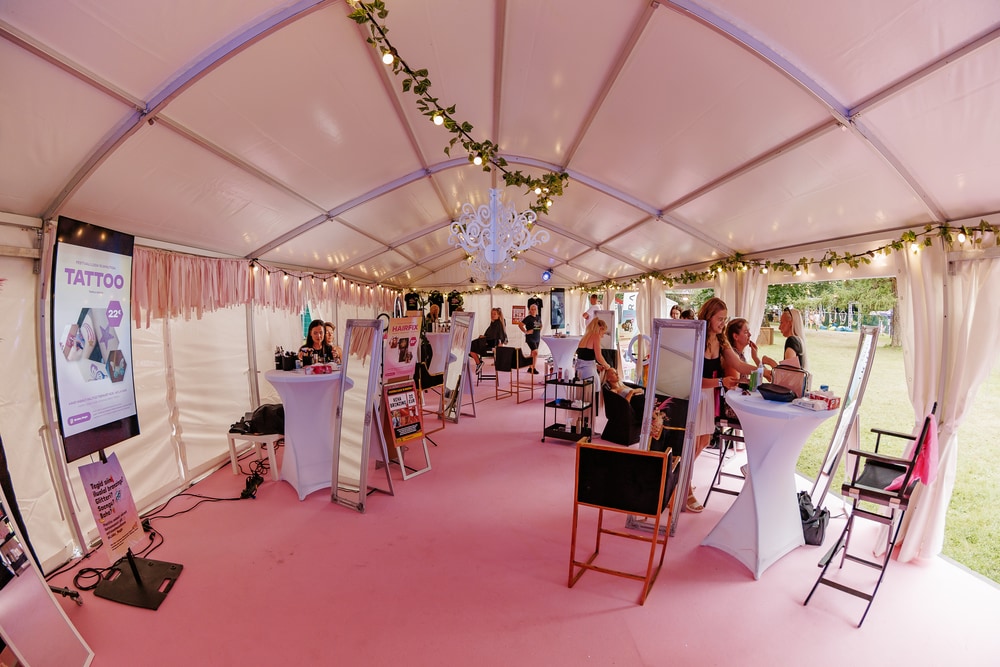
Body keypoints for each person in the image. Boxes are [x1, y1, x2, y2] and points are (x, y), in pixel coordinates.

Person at [688, 297, 741, 513]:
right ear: (708, 316)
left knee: (704, 440)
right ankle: (683, 488)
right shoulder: (696, 338)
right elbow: (693, 380)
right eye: (720, 319)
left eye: (725, 319)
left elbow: (738, 364)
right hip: (695, 395)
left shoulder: (721, 341)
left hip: (708, 395)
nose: (723, 323)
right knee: (692, 444)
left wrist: (762, 370)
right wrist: (721, 382)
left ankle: (680, 476)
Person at [576, 318, 614, 402]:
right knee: (595, 392)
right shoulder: (595, 336)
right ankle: (593, 410)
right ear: (600, 328)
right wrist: (608, 366)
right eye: (603, 333)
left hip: (579, 371)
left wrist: (596, 366)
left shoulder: (584, 337)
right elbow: (599, 357)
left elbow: (583, 357)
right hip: (589, 372)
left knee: (582, 397)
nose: (602, 336)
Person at [518, 303, 542, 373]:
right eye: (532, 309)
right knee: (535, 352)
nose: (533, 310)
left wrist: (538, 331)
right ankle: (533, 368)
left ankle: (530, 367)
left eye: (535, 309)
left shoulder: (538, 317)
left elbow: (540, 325)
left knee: (532, 353)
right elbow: (520, 325)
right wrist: (526, 332)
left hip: (537, 337)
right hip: (530, 338)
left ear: (537, 310)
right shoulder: (528, 318)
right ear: (530, 310)